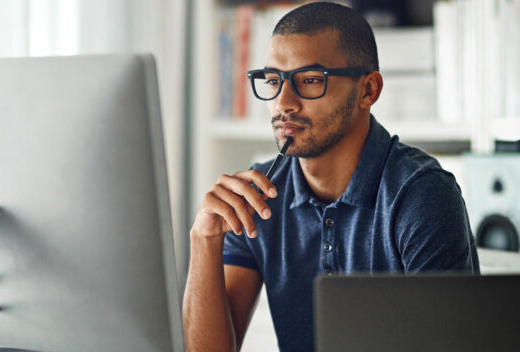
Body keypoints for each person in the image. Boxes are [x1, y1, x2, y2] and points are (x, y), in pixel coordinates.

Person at [182, 2, 480, 351]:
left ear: (368, 90)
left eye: (310, 80)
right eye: (274, 80)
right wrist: (204, 239)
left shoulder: (422, 194)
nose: (283, 103)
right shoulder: (255, 196)